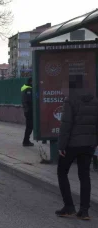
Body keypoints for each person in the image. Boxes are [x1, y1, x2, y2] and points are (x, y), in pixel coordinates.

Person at [56, 77, 98, 220]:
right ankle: (84, 211)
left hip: (72, 145)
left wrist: (61, 146)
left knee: (62, 172)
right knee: (84, 175)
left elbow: (66, 125)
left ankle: (69, 207)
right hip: (89, 145)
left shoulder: (70, 101)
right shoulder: (94, 100)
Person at [21, 77, 34, 146]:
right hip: (29, 110)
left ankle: (26, 140)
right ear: (31, 82)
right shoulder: (29, 89)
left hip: (27, 110)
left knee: (29, 126)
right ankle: (26, 141)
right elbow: (29, 101)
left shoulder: (25, 87)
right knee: (29, 126)